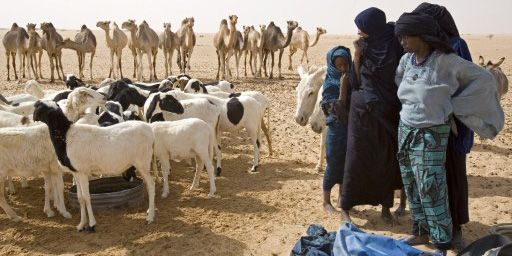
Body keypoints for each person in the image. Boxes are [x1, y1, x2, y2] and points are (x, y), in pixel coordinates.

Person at [394, 12, 504, 253]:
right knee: (411, 183)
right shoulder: (406, 60)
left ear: (421, 35)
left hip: (431, 133)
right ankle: (420, 232)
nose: (401, 41)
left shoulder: (447, 61)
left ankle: (442, 241)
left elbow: (483, 79)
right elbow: (401, 84)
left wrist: (453, 105)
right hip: (406, 130)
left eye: (405, 36)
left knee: (431, 186)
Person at [413, 3, 473, 250]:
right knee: (424, 178)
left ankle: (455, 229)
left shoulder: (457, 45)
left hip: (450, 126)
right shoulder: (421, 48)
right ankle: (423, 230)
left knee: (451, 175)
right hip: (422, 124)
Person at [339, 7, 404, 224]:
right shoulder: (364, 47)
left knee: (385, 160)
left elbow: (398, 78)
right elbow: (356, 82)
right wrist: (356, 58)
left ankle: (386, 208)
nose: (359, 33)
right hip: (362, 115)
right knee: (356, 159)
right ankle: (346, 207)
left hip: (387, 111)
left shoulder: (394, 45)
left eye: (363, 29)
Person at [319, 46, 351, 214]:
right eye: (338, 65)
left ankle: (341, 197)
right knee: (333, 164)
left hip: (350, 130)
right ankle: (326, 201)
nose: (342, 68)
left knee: (346, 165)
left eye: (345, 64)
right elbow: (332, 107)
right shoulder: (331, 82)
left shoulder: (352, 79)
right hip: (336, 130)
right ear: (332, 65)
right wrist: (343, 89)